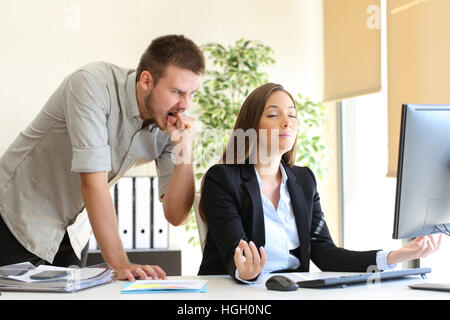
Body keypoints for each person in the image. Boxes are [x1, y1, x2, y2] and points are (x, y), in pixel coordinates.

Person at [0, 34, 205, 281]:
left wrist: (186, 151)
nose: (185, 105)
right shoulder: (92, 84)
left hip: (73, 233)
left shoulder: (169, 125)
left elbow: (175, 215)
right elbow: (93, 183)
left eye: (192, 93)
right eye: (177, 92)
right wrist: (120, 263)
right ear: (146, 81)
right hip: (15, 217)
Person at [197, 83, 442, 283]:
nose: (287, 121)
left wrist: (395, 256)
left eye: (292, 114)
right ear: (251, 126)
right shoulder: (222, 179)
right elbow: (234, 254)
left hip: (291, 291)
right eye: (274, 114)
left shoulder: (304, 180)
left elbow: (325, 253)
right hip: (237, 295)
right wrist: (245, 272)